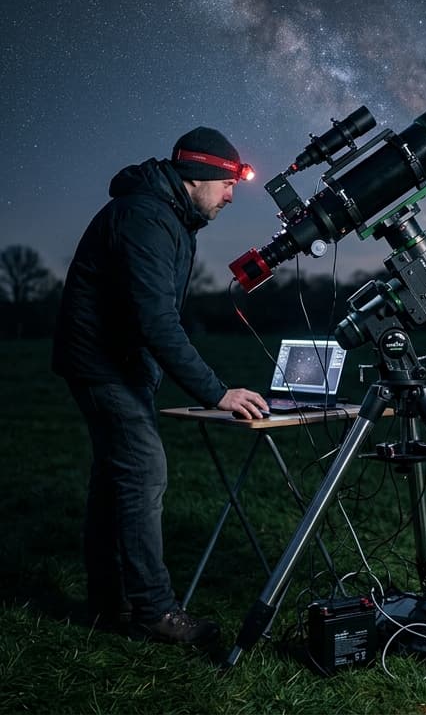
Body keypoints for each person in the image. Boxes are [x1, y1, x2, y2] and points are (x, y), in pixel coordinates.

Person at [53, 127, 270, 646]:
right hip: (102, 364)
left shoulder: (167, 215)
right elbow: (155, 319)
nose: (231, 195)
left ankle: (109, 604)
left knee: (115, 482)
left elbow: (152, 316)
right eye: (226, 183)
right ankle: (154, 611)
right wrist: (217, 392)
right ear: (198, 177)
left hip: (119, 366)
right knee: (144, 471)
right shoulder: (145, 218)